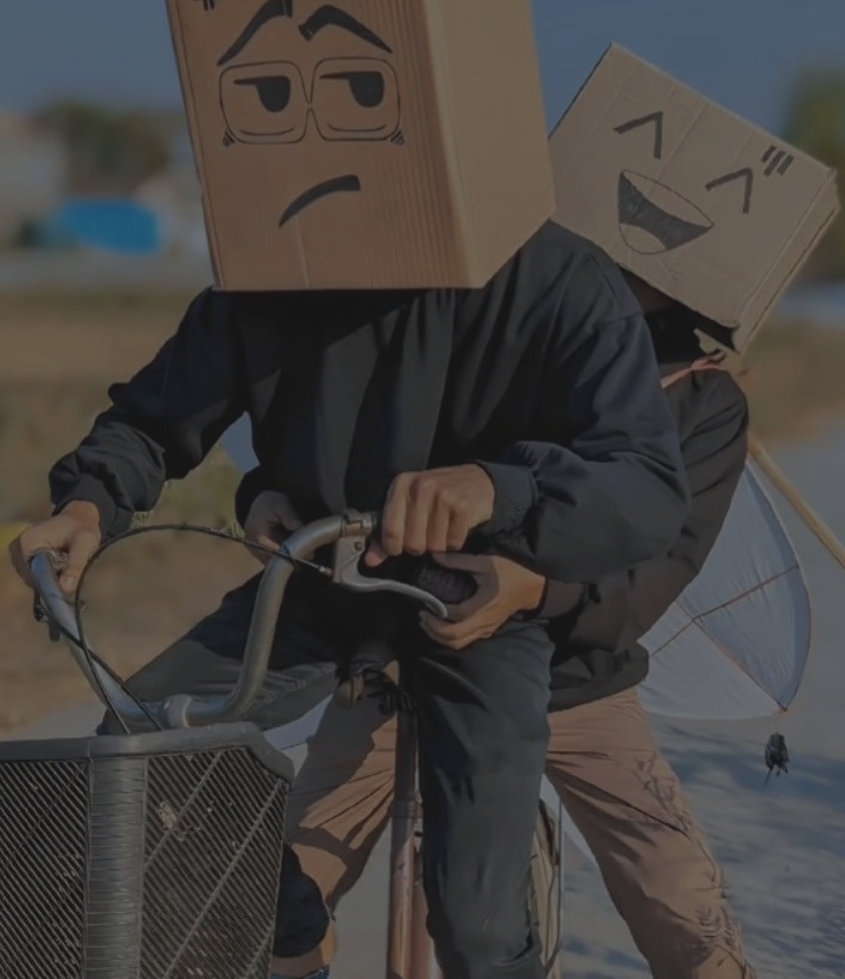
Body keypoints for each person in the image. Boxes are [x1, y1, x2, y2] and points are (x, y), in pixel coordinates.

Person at [10, 226, 689, 979]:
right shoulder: (273, 262)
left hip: (478, 603)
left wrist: (502, 489)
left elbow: (647, 486)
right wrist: (88, 504)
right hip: (316, 574)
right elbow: (151, 418)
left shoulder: (559, 276)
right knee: (137, 751)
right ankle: (297, 932)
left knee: (477, 922)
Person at [261, 273, 758, 979]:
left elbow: (659, 570)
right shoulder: (492, 324)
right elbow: (347, 449)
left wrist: (537, 588)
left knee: (684, 908)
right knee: (267, 901)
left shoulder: (704, 399)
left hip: (578, 680)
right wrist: (265, 492)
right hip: (405, 662)